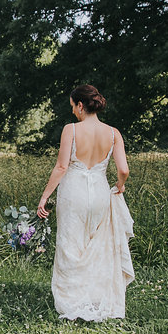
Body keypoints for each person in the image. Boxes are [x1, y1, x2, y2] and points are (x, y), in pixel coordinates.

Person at [36, 85, 134, 321]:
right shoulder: (113, 133)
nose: (72, 112)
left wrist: (45, 196)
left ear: (80, 105)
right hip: (100, 194)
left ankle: (72, 301)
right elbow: (123, 169)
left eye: (73, 106)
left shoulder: (71, 130)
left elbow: (61, 167)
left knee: (71, 245)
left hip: (74, 192)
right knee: (96, 244)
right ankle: (95, 299)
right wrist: (120, 186)